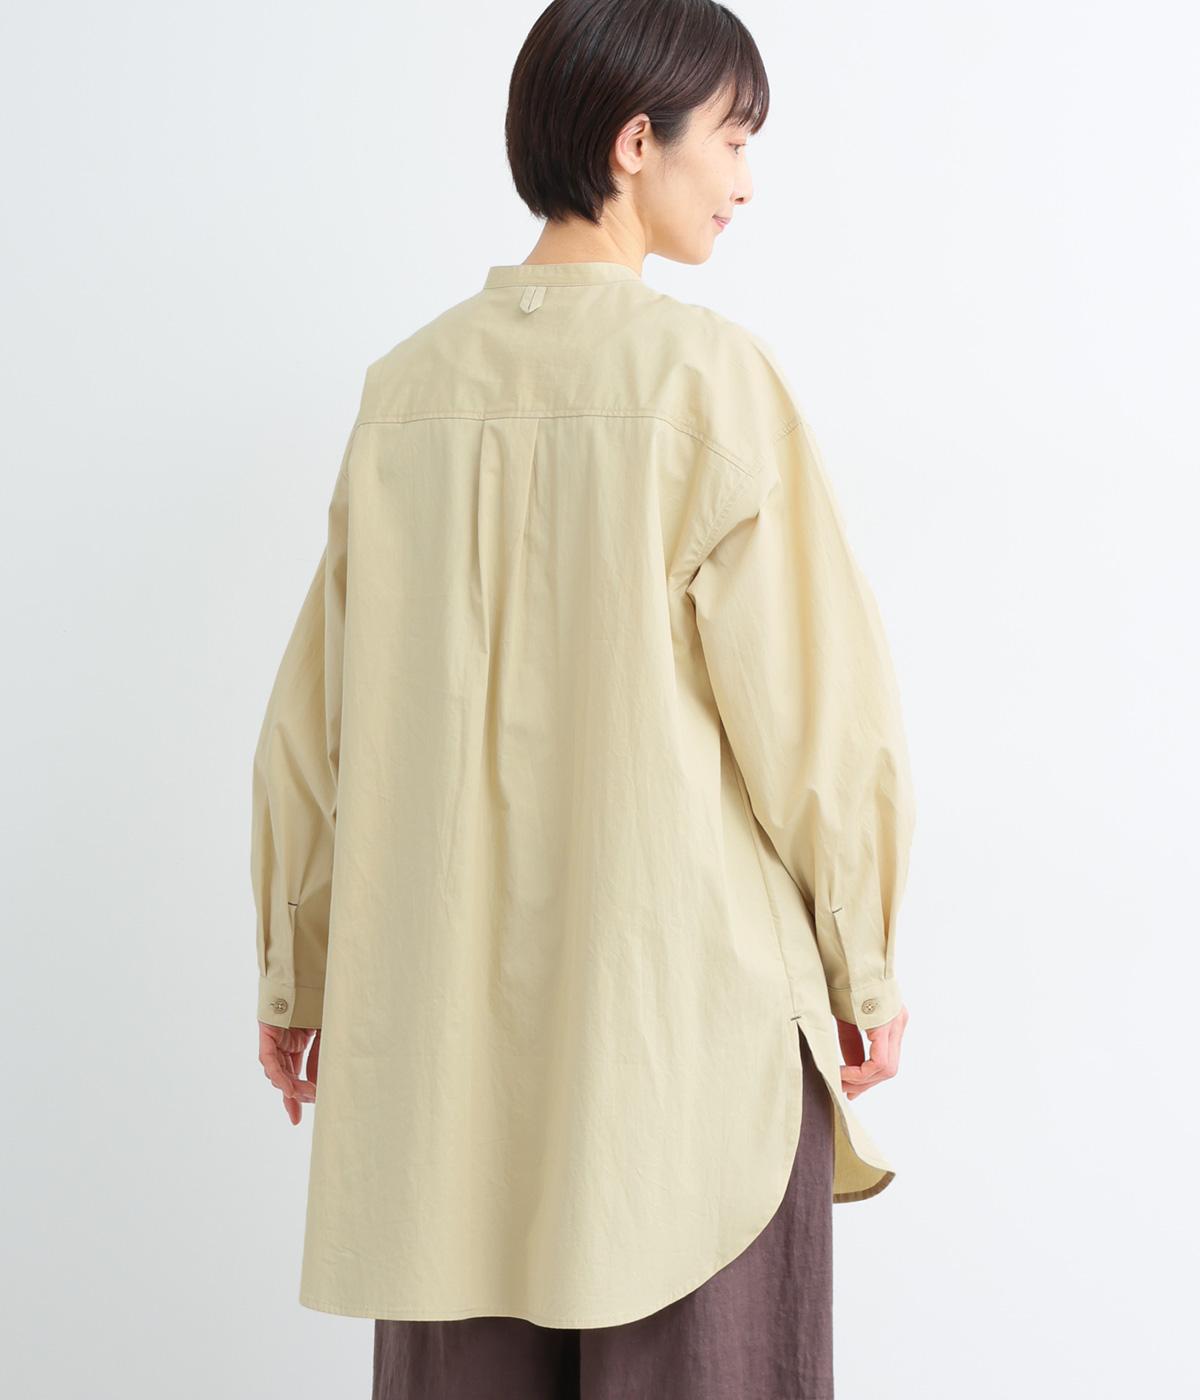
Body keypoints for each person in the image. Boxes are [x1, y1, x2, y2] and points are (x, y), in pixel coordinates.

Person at [250, 1, 917, 1395]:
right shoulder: (709, 381)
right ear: (634, 143)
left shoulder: (404, 396)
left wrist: (296, 974)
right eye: (732, 138)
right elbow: (820, 717)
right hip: (686, 1058)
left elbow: (314, 731)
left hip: (443, 1079)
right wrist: (865, 965)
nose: (745, 180)